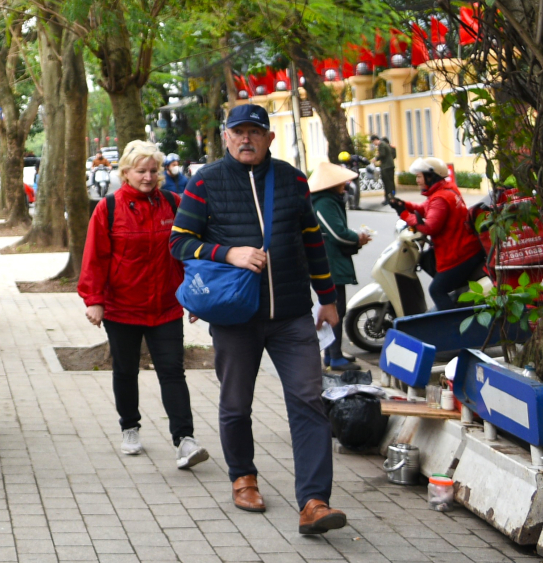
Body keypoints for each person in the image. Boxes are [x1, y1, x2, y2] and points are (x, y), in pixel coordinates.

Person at [170, 103, 347, 535]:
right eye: (238, 132)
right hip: (236, 315)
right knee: (236, 403)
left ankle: (314, 502)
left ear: (269, 138)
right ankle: (243, 477)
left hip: (291, 316)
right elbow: (179, 243)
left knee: (309, 401)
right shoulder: (205, 182)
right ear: (226, 136)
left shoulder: (292, 180)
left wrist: (327, 298)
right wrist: (227, 253)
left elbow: (313, 244)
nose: (246, 139)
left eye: (255, 132)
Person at [78, 140, 209, 470]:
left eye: (154, 171)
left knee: (172, 371)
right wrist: (94, 300)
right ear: (126, 173)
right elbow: (95, 258)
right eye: (141, 171)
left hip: (165, 305)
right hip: (122, 307)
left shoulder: (173, 203)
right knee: (125, 370)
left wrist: (194, 297)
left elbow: (188, 254)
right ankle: (130, 427)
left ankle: (185, 440)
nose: (149, 177)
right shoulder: (108, 209)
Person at [394, 157, 485, 309]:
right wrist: (404, 205)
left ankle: (453, 325)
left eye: (419, 176)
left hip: (459, 254)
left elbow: (429, 228)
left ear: (430, 176)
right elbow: (426, 209)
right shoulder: (446, 190)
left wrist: (404, 214)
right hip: (466, 248)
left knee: (436, 290)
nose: (417, 180)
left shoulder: (441, 198)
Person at [307, 159, 372, 368]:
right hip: (328, 262)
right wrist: (357, 238)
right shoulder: (324, 203)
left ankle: (333, 353)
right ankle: (334, 356)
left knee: (337, 307)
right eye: (341, 182)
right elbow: (338, 234)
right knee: (334, 308)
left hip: (331, 260)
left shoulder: (329, 200)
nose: (345, 185)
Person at [374, 134, 398, 203]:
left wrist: (376, 158)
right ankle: (392, 196)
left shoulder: (381, 145)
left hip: (386, 167)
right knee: (391, 182)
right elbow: (394, 156)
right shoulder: (390, 147)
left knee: (387, 183)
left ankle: (388, 198)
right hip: (391, 165)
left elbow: (382, 154)